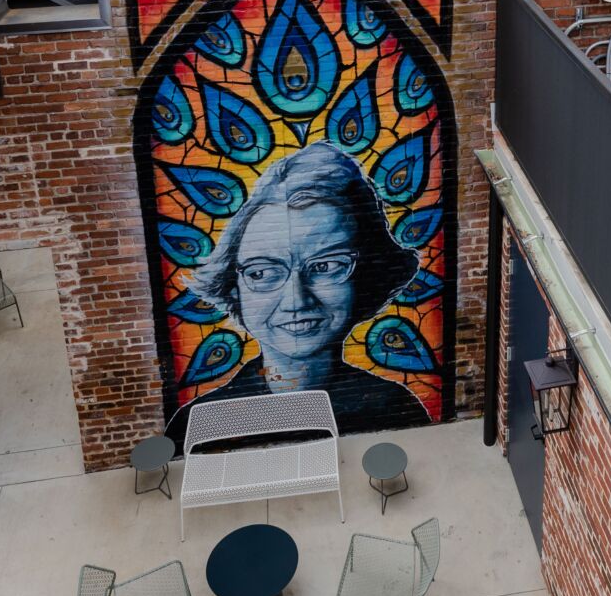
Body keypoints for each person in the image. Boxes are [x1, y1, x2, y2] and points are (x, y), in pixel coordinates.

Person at [165, 143, 429, 442]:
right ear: (233, 288)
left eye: (326, 266)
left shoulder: (395, 406)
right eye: (261, 273)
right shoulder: (198, 423)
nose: (296, 300)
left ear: (367, 277)